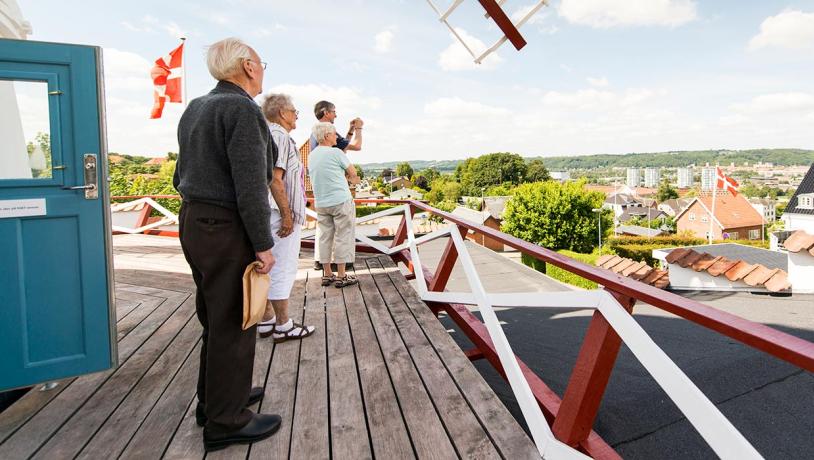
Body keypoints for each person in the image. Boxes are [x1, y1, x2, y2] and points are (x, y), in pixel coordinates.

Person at [173, 37, 281, 452]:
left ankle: (216, 401)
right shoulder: (241, 109)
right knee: (237, 320)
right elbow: (251, 187)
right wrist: (262, 242)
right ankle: (226, 420)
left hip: (195, 221)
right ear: (248, 67)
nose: (263, 70)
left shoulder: (197, 107)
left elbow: (180, 172)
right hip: (225, 226)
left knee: (214, 317)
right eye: (261, 62)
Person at [257, 93, 315, 342]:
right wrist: (288, 215)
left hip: (269, 212)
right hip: (279, 214)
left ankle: (266, 319)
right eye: (294, 111)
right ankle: (283, 325)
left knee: (268, 267)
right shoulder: (280, 135)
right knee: (282, 266)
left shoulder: (267, 134)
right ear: (282, 113)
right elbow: (275, 178)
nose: (297, 115)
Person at [309, 100, 364, 270]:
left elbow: (339, 149)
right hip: (339, 198)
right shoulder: (328, 130)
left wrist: (349, 131)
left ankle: (324, 268)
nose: (336, 114)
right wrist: (359, 129)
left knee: (325, 235)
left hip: (322, 199)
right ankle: (341, 271)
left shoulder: (315, 137)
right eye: (334, 111)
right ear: (325, 112)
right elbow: (354, 147)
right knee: (343, 235)